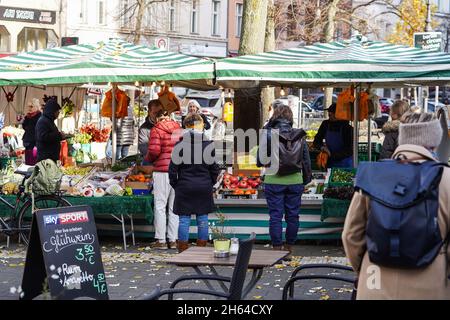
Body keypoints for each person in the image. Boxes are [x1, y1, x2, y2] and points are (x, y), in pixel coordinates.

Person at [342, 112, 450, 299]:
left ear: (403, 137)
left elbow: (351, 235)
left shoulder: (374, 175)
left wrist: (364, 268)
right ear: (435, 141)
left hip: (374, 286)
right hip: (430, 287)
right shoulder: (446, 179)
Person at [258, 104, 311, 260]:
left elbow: (260, 161)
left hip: (273, 180)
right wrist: (305, 180)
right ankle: (289, 248)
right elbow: (306, 160)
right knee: (293, 216)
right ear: (290, 118)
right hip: (295, 180)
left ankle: (276, 248)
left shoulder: (268, 134)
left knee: (275, 216)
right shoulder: (299, 134)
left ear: (275, 116)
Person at [169, 113, 220, 253]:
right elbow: (214, 169)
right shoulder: (208, 145)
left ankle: (183, 251)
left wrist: (176, 184)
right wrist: (210, 183)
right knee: (202, 219)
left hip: (184, 186)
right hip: (204, 186)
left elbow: (172, 169)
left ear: (186, 127)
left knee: (184, 220)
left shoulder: (179, 145)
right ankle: (201, 251)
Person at [146, 110, 182, 250]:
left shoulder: (156, 129)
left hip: (162, 172)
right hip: (177, 170)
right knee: (174, 207)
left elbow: (154, 151)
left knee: (160, 206)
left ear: (156, 119)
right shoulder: (178, 128)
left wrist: (148, 159)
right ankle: (173, 240)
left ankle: (161, 240)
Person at [313, 103, 353, 168]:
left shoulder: (347, 128)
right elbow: (317, 140)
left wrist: (332, 154)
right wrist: (322, 148)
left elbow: (349, 150)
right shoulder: (325, 124)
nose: (329, 115)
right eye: (329, 113)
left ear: (338, 115)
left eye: (331, 113)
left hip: (345, 163)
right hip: (329, 162)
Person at [35, 98, 66, 163]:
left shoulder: (49, 120)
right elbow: (43, 137)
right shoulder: (43, 121)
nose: (58, 113)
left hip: (50, 158)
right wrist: (59, 135)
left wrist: (60, 135)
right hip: (46, 159)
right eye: (57, 111)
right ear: (52, 111)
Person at [22, 98, 41, 165]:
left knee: (33, 162)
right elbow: (24, 127)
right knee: (28, 161)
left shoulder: (39, 116)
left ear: (36, 107)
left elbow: (39, 131)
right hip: (27, 142)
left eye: (31, 106)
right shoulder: (28, 116)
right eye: (28, 106)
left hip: (35, 143)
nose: (29, 108)